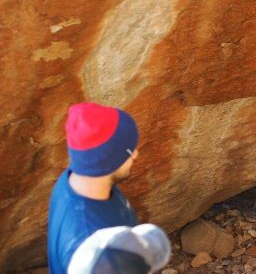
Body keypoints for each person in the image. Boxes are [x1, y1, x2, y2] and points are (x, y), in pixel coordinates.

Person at [48, 102, 169, 274]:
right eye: (129, 151)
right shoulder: (95, 253)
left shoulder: (73, 179)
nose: (136, 154)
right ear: (108, 161)